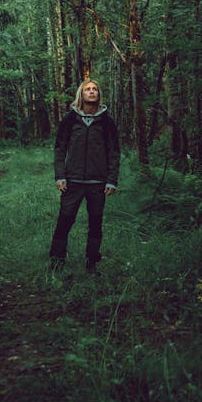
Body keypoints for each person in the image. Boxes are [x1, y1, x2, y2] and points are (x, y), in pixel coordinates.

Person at [49, 79, 120, 274]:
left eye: (94, 89)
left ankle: (91, 263)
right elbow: (60, 148)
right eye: (87, 89)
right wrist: (60, 176)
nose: (91, 92)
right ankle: (56, 262)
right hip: (72, 182)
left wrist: (112, 180)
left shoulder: (106, 121)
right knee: (64, 221)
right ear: (81, 94)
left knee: (95, 223)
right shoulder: (70, 119)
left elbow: (114, 151)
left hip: (98, 182)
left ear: (99, 94)